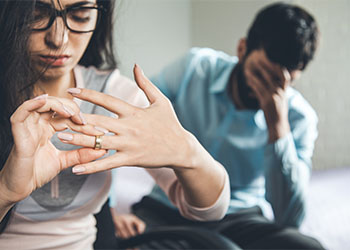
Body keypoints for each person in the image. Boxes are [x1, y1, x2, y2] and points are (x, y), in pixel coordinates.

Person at [0, 0, 230, 249]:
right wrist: (6, 192)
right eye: (36, 15)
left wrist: (189, 152)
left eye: (80, 15)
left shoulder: (119, 96)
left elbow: (208, 210)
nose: (58, 39)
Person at [129, 2, 325, 249]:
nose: (265, 89)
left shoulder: (299, 118)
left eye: (279, 82)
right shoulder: (195, 68)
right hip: (169, 208)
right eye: (261, 73)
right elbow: (134, 113)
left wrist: (278, 127)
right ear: (242, 49)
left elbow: (289, 218)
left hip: (240, 218)